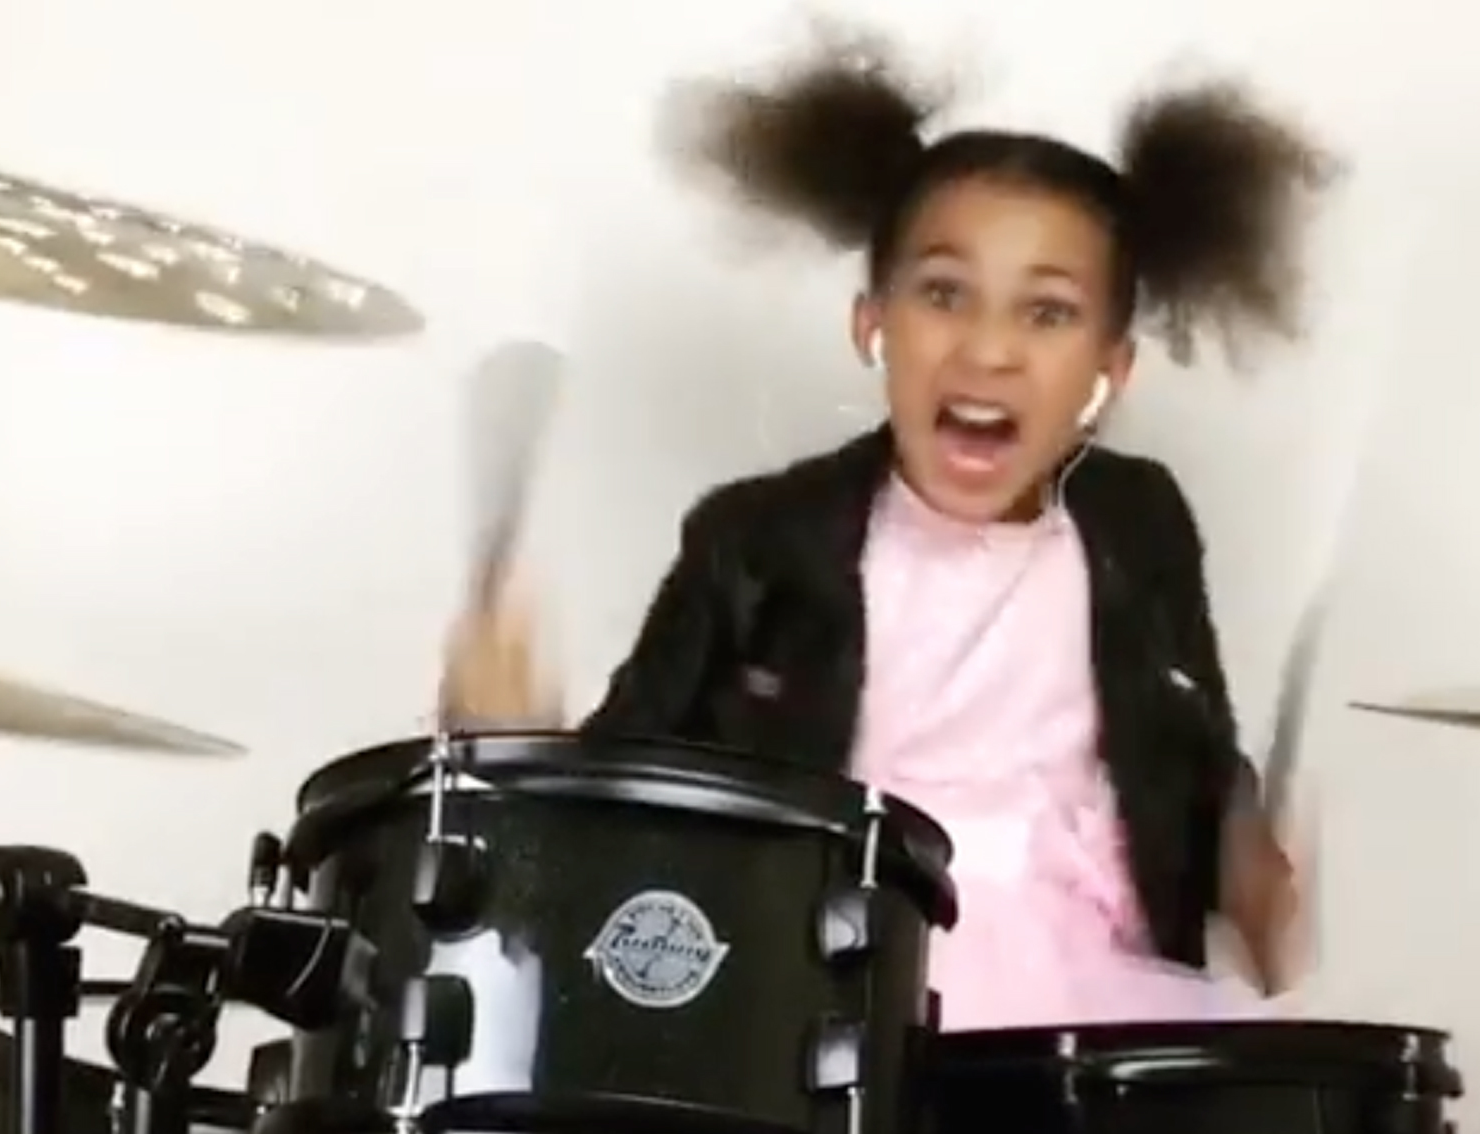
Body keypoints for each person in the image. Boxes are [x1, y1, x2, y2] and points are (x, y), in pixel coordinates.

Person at [440, 27, 1336, 1029]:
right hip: (830, 987)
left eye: (1046, 312)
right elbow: (629, 800)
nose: (989, 349)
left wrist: (1248, 863)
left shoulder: (1143, 523)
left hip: (1092, 1023)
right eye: (945, 294)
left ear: (1110, 369)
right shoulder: (760, 538)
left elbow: (1193, 768)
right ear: (873, 324)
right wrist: (513, 750)